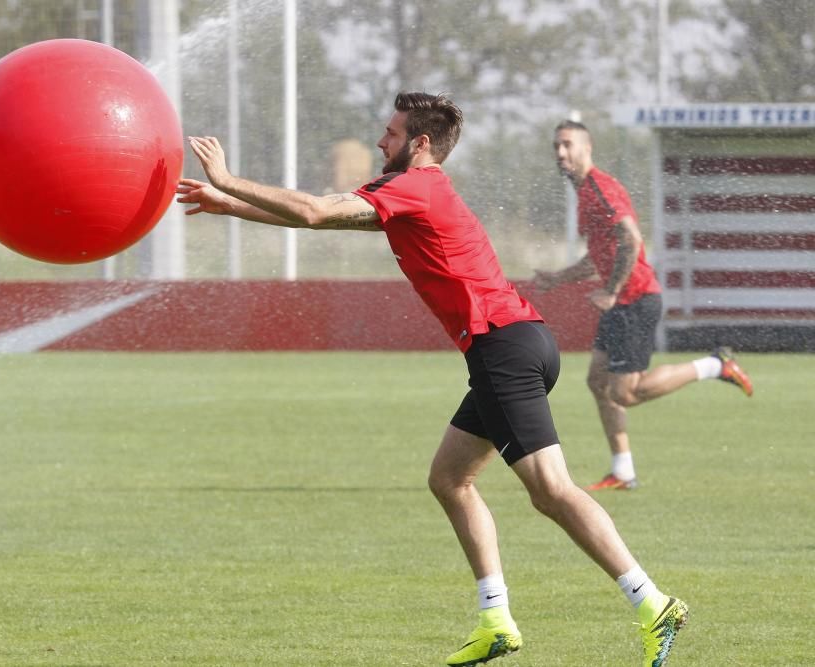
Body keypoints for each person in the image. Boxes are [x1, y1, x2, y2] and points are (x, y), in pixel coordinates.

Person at [177, 92, 688, 666]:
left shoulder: (415, 187)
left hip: (505, 348)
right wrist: (232, 204)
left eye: (391, 134)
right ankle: (495, 618)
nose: (380, 141)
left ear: (421, 144)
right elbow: (326, 220)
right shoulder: (412, 192)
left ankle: (652, 602)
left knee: (551, 491)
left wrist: (229, 177)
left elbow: (316, 210)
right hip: (513, 344)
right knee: (450, 479)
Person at [535, 120, 753, 491]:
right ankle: (623, 471)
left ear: (587, 149)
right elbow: (599, 255)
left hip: (634, 300)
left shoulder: (600, 188)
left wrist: (613, 290)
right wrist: (559, 278)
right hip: (620, 302)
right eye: (556, 146)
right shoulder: (585, 194)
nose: (560, 153)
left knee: (625, 393)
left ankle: (715, 365)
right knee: (598, 381)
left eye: (567, 145)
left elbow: (632, 240)